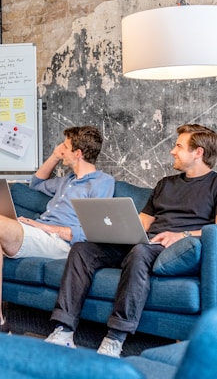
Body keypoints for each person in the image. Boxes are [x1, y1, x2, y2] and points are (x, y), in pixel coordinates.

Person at [45, 123, 217, 358]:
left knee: (139, 252)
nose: (172, 151)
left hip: (176, 247)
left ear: (198, 152)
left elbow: (215, 230)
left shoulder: (214, 185)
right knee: (83, 249)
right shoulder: (165, 184)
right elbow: (143, 222)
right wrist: (119, 231)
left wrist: (183, 235)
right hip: (146, 242)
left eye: (178, 146)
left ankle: (115, 338)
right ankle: (63, 331)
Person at [0, 126, 114, 331]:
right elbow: (36, 183)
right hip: (37, 233)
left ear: (78, 154)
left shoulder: (102, 182)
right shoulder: (66, 181)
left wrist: (48, 228)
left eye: (65, 146)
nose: (60, 149)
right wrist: (53, 157)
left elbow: (93, 230)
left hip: (59, 243)